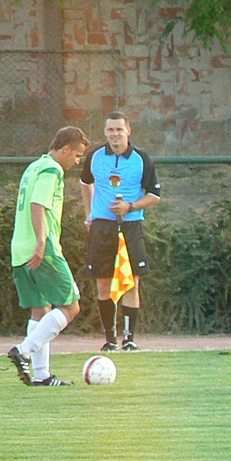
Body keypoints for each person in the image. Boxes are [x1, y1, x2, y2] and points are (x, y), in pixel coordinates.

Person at [7, 126, 90, 386]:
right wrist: (42, 241)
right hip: (41, 247)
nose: (77, 161)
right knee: (71, 306)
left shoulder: (34, 167)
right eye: (77, 155)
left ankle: (42, 376)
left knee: (41, 309)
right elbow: (38, 204)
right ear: (66, 149)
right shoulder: (52, 170)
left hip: (19, 247)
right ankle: (23, 351)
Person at [80, 111, 161, 352]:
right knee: (103, 284)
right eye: (110, 130)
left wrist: (130, 207)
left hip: (130, 226)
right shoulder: (95, 157)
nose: (115, 134)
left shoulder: (141, 159)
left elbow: (154, 195)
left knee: (131, 283)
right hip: (102, 227)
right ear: (105, 132)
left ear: (128, 131)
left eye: (119, 129)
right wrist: (90, 212)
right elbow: (85, 182)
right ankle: (110, 339)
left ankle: (129, 339)